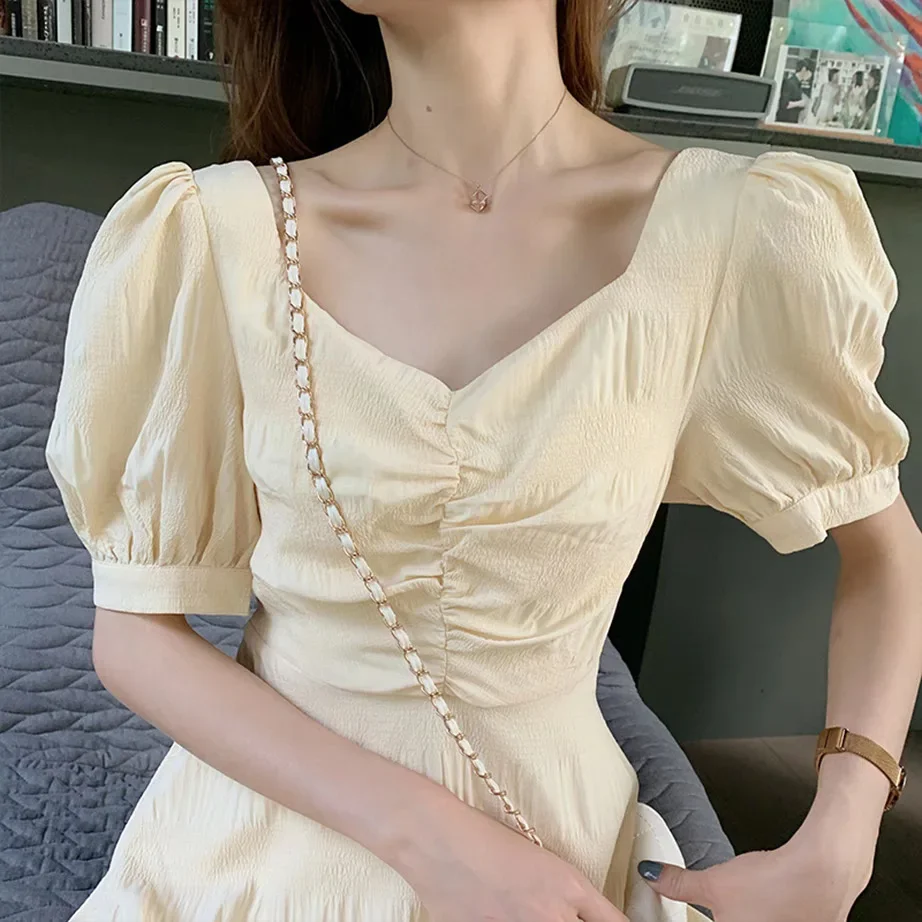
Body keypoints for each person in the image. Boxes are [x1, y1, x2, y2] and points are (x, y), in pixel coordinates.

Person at [45, 1, 922, 921]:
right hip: (268, 840)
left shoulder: (726, 230)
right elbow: (135, 633)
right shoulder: (215, 232)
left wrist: (842, 839)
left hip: (563, 836)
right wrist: (426, 835)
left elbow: (884, 549)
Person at [774, 57, 814, 124]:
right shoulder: (789, 83)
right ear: (804, 69)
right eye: (811, 72)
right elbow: (784, 104)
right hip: (784, 120)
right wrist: (800, 103)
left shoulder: (798, 84)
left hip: (792, 120)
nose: (811, 75)